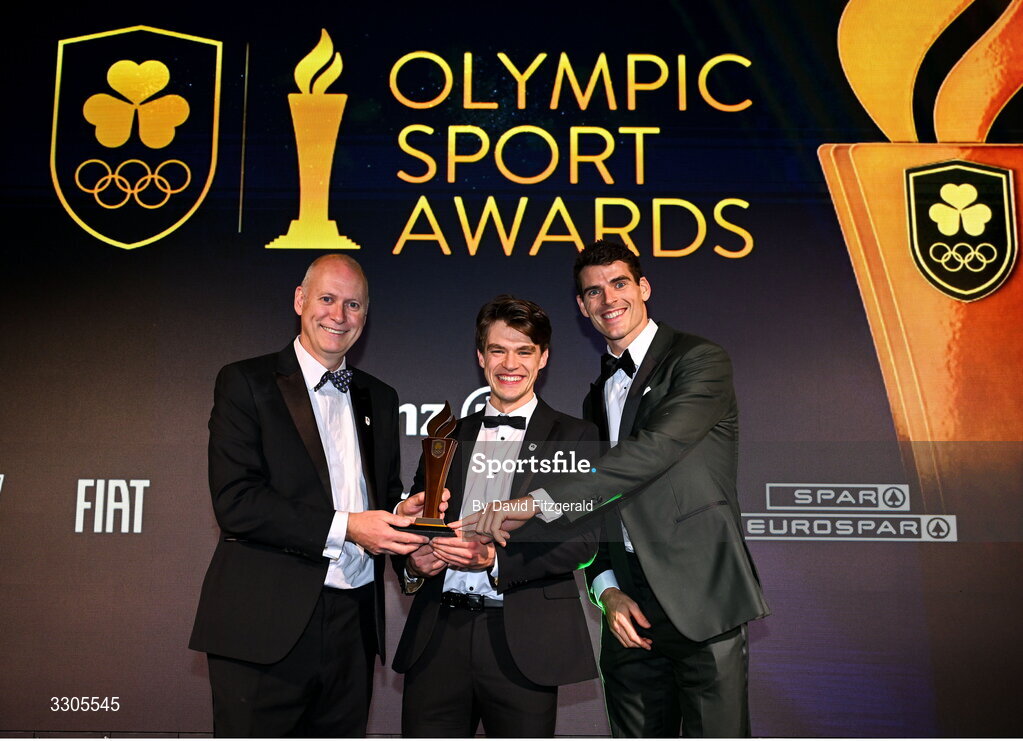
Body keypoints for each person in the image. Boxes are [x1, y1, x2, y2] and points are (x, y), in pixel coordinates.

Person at [461, 241, 770, 737]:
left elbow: (650, 455)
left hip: (700, 591)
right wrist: (606, 590)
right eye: (593, 292)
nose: (609, 299)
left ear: (644, 287)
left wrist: (537, 503)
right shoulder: (595, 393)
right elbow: (600, 505)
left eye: (620, 283)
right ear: (582, 308)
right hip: (628, 604)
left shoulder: (700, 361)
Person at [189, 254, 433, 737]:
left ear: (366, 316)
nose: (338, 316)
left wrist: (402, 516)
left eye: (354, 305)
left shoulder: (379, 397)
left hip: (353, 628)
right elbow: (237, 502)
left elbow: (379, 500)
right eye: (327, 299)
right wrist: (348, 526)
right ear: (300, 301)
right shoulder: (245, 382)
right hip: (264, 624)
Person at [390, 295, 599, 737]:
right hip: (437, 639)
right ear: (480, 356)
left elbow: (582, 543)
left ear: (542, 358)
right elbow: (414, 521)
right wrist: (412, 564)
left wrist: (495, 562)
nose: (510, 363)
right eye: (498, 350)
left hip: (522, 641)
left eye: (524, 350)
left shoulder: (576, 436)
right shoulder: (447, 435)